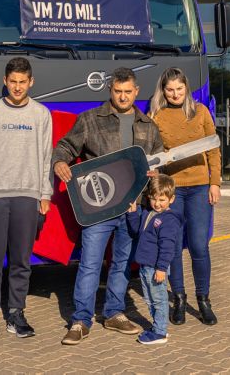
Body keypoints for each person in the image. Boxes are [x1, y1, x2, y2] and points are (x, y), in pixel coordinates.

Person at [53, 67, 165, 345]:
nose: (123, 96)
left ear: (136, 92)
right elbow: (66, 146)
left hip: (132, 207)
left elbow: (159, 162)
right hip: (99, 208)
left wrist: (155, 175)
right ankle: (81, 320)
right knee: (90, 264)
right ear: (110, 90)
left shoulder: (148, 126)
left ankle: (114, 313)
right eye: (118, 91)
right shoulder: (90, 119)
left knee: (123, 263)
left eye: (128, 92)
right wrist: (59, 161)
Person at [0, 57, 53, 343]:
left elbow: (46, 158)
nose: (17, 87)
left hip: (28, 197)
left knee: (21, 262)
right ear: (5, 82)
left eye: (23, 82)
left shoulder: (41, 115)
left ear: (31, 83)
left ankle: (16, 313)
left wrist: (44, 194)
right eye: (13, 82)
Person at [147, 67, 221, 326]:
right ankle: (178, 299)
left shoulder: (200, 112)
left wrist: (215, 183)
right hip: (173, 190)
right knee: (174, 247)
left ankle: (203, 300)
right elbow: (152, 154)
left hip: (200, 188)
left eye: (180, 89)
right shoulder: (156, 115)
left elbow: (213, 149)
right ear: (163, 90)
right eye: (170, 89)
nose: (175, 94)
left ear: (186, 88)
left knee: (200, 246)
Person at [126, 175, 182, 345]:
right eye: (153, 198)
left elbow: (167, 247)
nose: (157, 203)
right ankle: (157, 326)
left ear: (171, 199)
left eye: (162, 200)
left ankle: (160, 332)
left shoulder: (169, 220)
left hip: (156, 268)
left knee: (159, 300)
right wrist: (133, 213)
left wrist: (161, 268)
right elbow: (137, 231)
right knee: (150, 299)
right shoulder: (148, 213)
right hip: (145, 266)